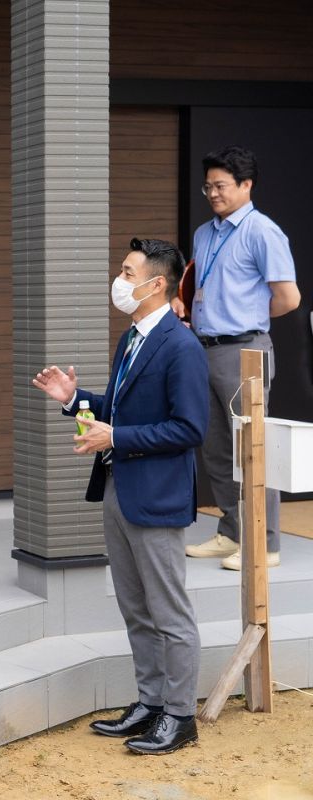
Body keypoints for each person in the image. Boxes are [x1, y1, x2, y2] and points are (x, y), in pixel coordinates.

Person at [33, 238, 208, 755]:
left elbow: (189, 428)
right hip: (119, 487)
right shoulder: (132, 337)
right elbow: (119, 408)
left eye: (127, 272)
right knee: (136, 606)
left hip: (155, 495)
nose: (119, 280)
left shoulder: (181, 346)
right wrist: (76, 402)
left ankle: (180, 716)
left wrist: (117, 438)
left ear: (156, 284)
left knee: (168, 613)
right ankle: (151, 703)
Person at [178, 146, 301, 570]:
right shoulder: (204, 233)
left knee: (252, 447)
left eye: (221, 186)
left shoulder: (263, 231)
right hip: (204, 349)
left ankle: (265, 544)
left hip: (244, 349)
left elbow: (289, 298)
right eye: (208, 186)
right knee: (214, 447)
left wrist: (241, 315)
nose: (213, 194)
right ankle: (231, 533)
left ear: (246, 186)